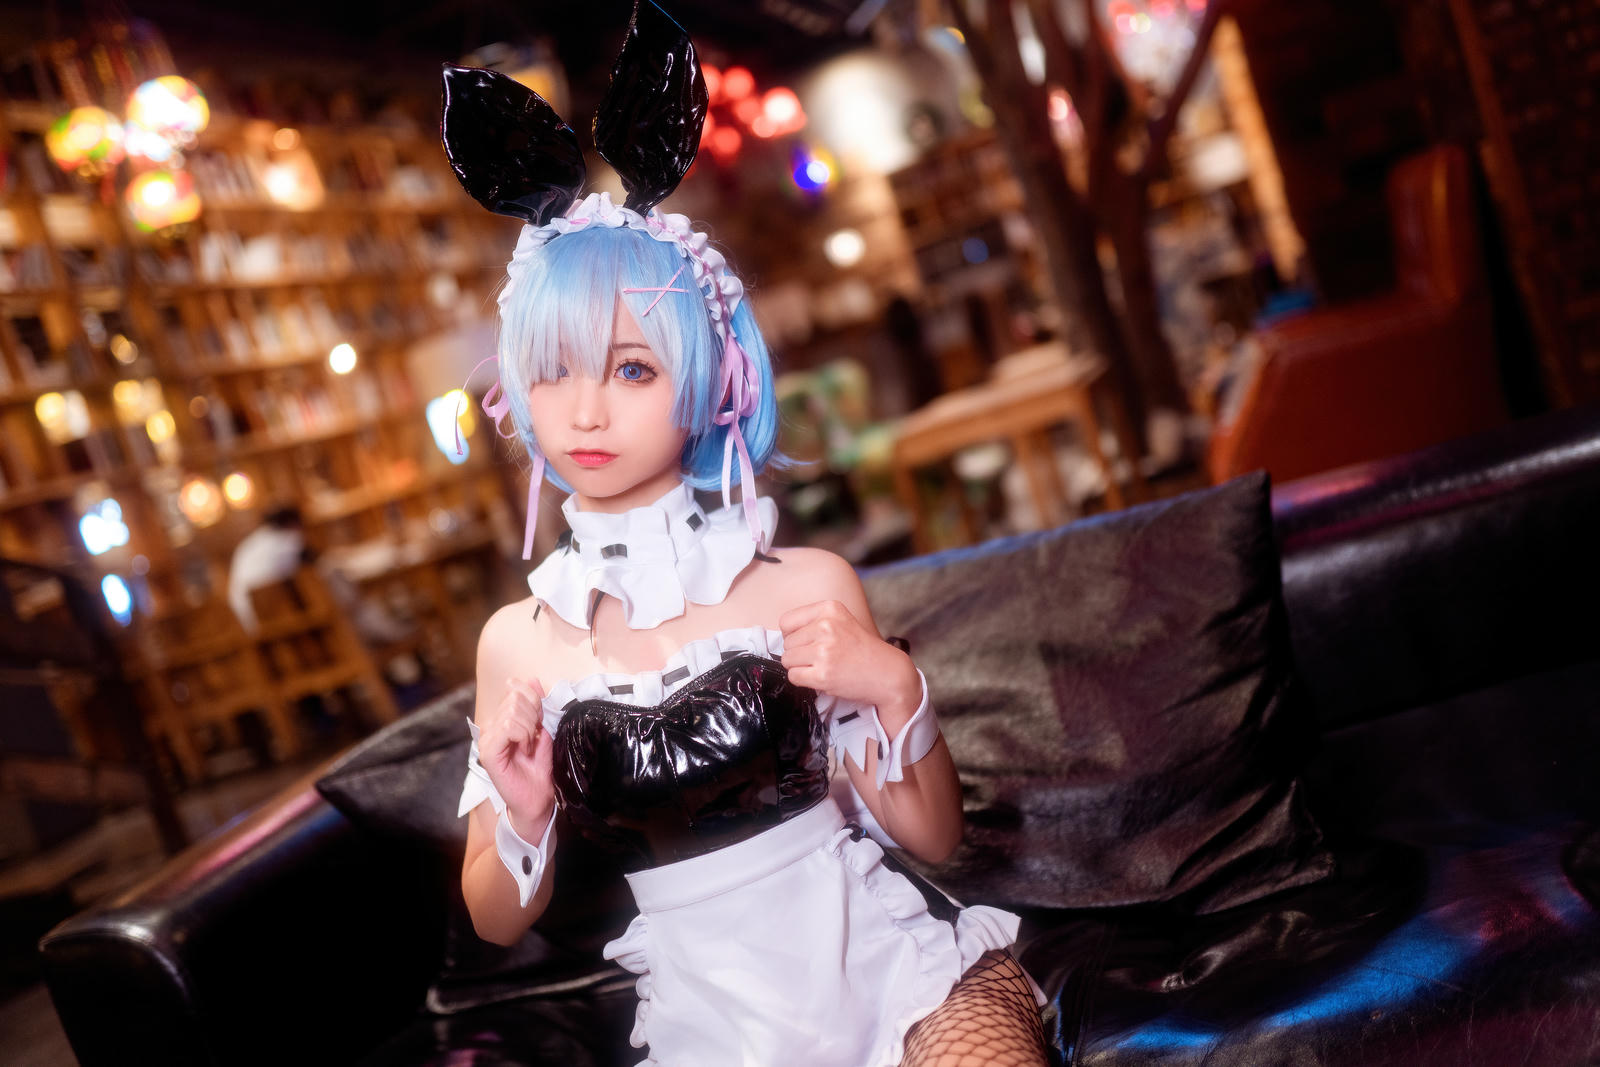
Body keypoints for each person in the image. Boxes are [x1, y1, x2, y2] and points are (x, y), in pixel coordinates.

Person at [446, 5, 1048, 1065]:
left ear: (706, 378)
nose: (584, 410)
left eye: (632, 368)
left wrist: (895, 686)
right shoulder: (517, 643)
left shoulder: (809, 583)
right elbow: (497, 920)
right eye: (552, 370)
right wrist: (525, 813)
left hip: (899, 982)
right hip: (713, 1031)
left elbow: (936, 838)